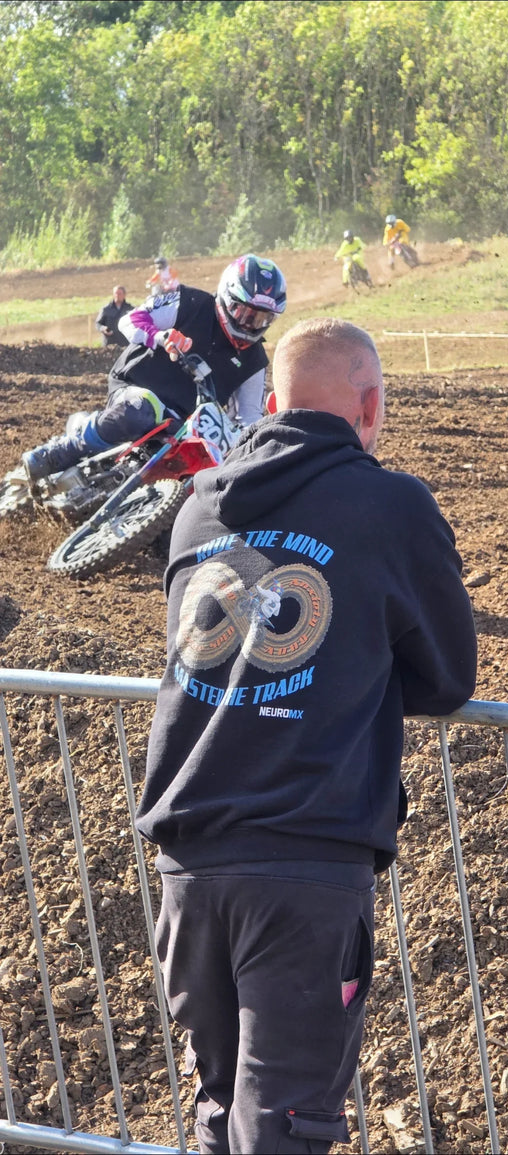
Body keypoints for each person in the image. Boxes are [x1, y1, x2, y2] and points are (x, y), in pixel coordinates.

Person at [135, 317, 477, 1155]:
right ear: (369, 404)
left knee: (222, 1108)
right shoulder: (389, 504)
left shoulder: (198, 506)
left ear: (273, 403)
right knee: (286, 1120)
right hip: (304, 857)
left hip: (189, 857)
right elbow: (447, 675)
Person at [22, 255, 286, 482]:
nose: (250, 324)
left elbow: (249, 420)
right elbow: (130, 320)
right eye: (244, 313)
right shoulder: (190, 303)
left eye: (261, 319)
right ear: (228, 298)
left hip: (184, 425)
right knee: (143, 409)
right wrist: (160, 337)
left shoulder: (255, 361)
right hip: (137, 387)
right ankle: (59, 452)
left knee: (202, 471)